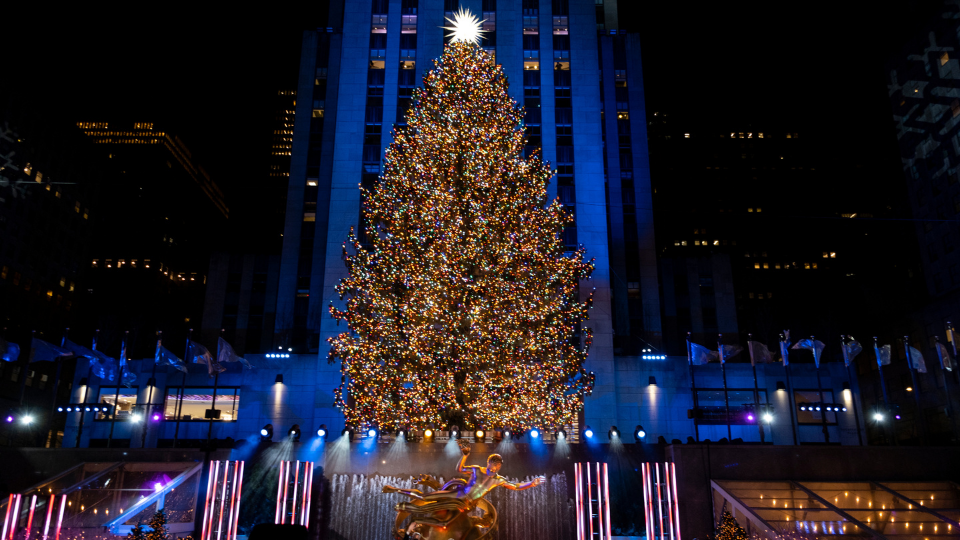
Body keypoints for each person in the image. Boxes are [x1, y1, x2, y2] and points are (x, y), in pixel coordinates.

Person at [384, 439, 545, 528]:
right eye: (494, 463)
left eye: (499, 464)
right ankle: (395, 489)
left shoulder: (499, 480)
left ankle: (417, 519)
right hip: (458, 493)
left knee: (446, 522)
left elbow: (515, 486)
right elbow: (459, 468)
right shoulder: (477, 469)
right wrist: (466, 455)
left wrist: (531, 483)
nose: (497, 466)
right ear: (488, 462)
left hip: (466, 504)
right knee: (426, 497)